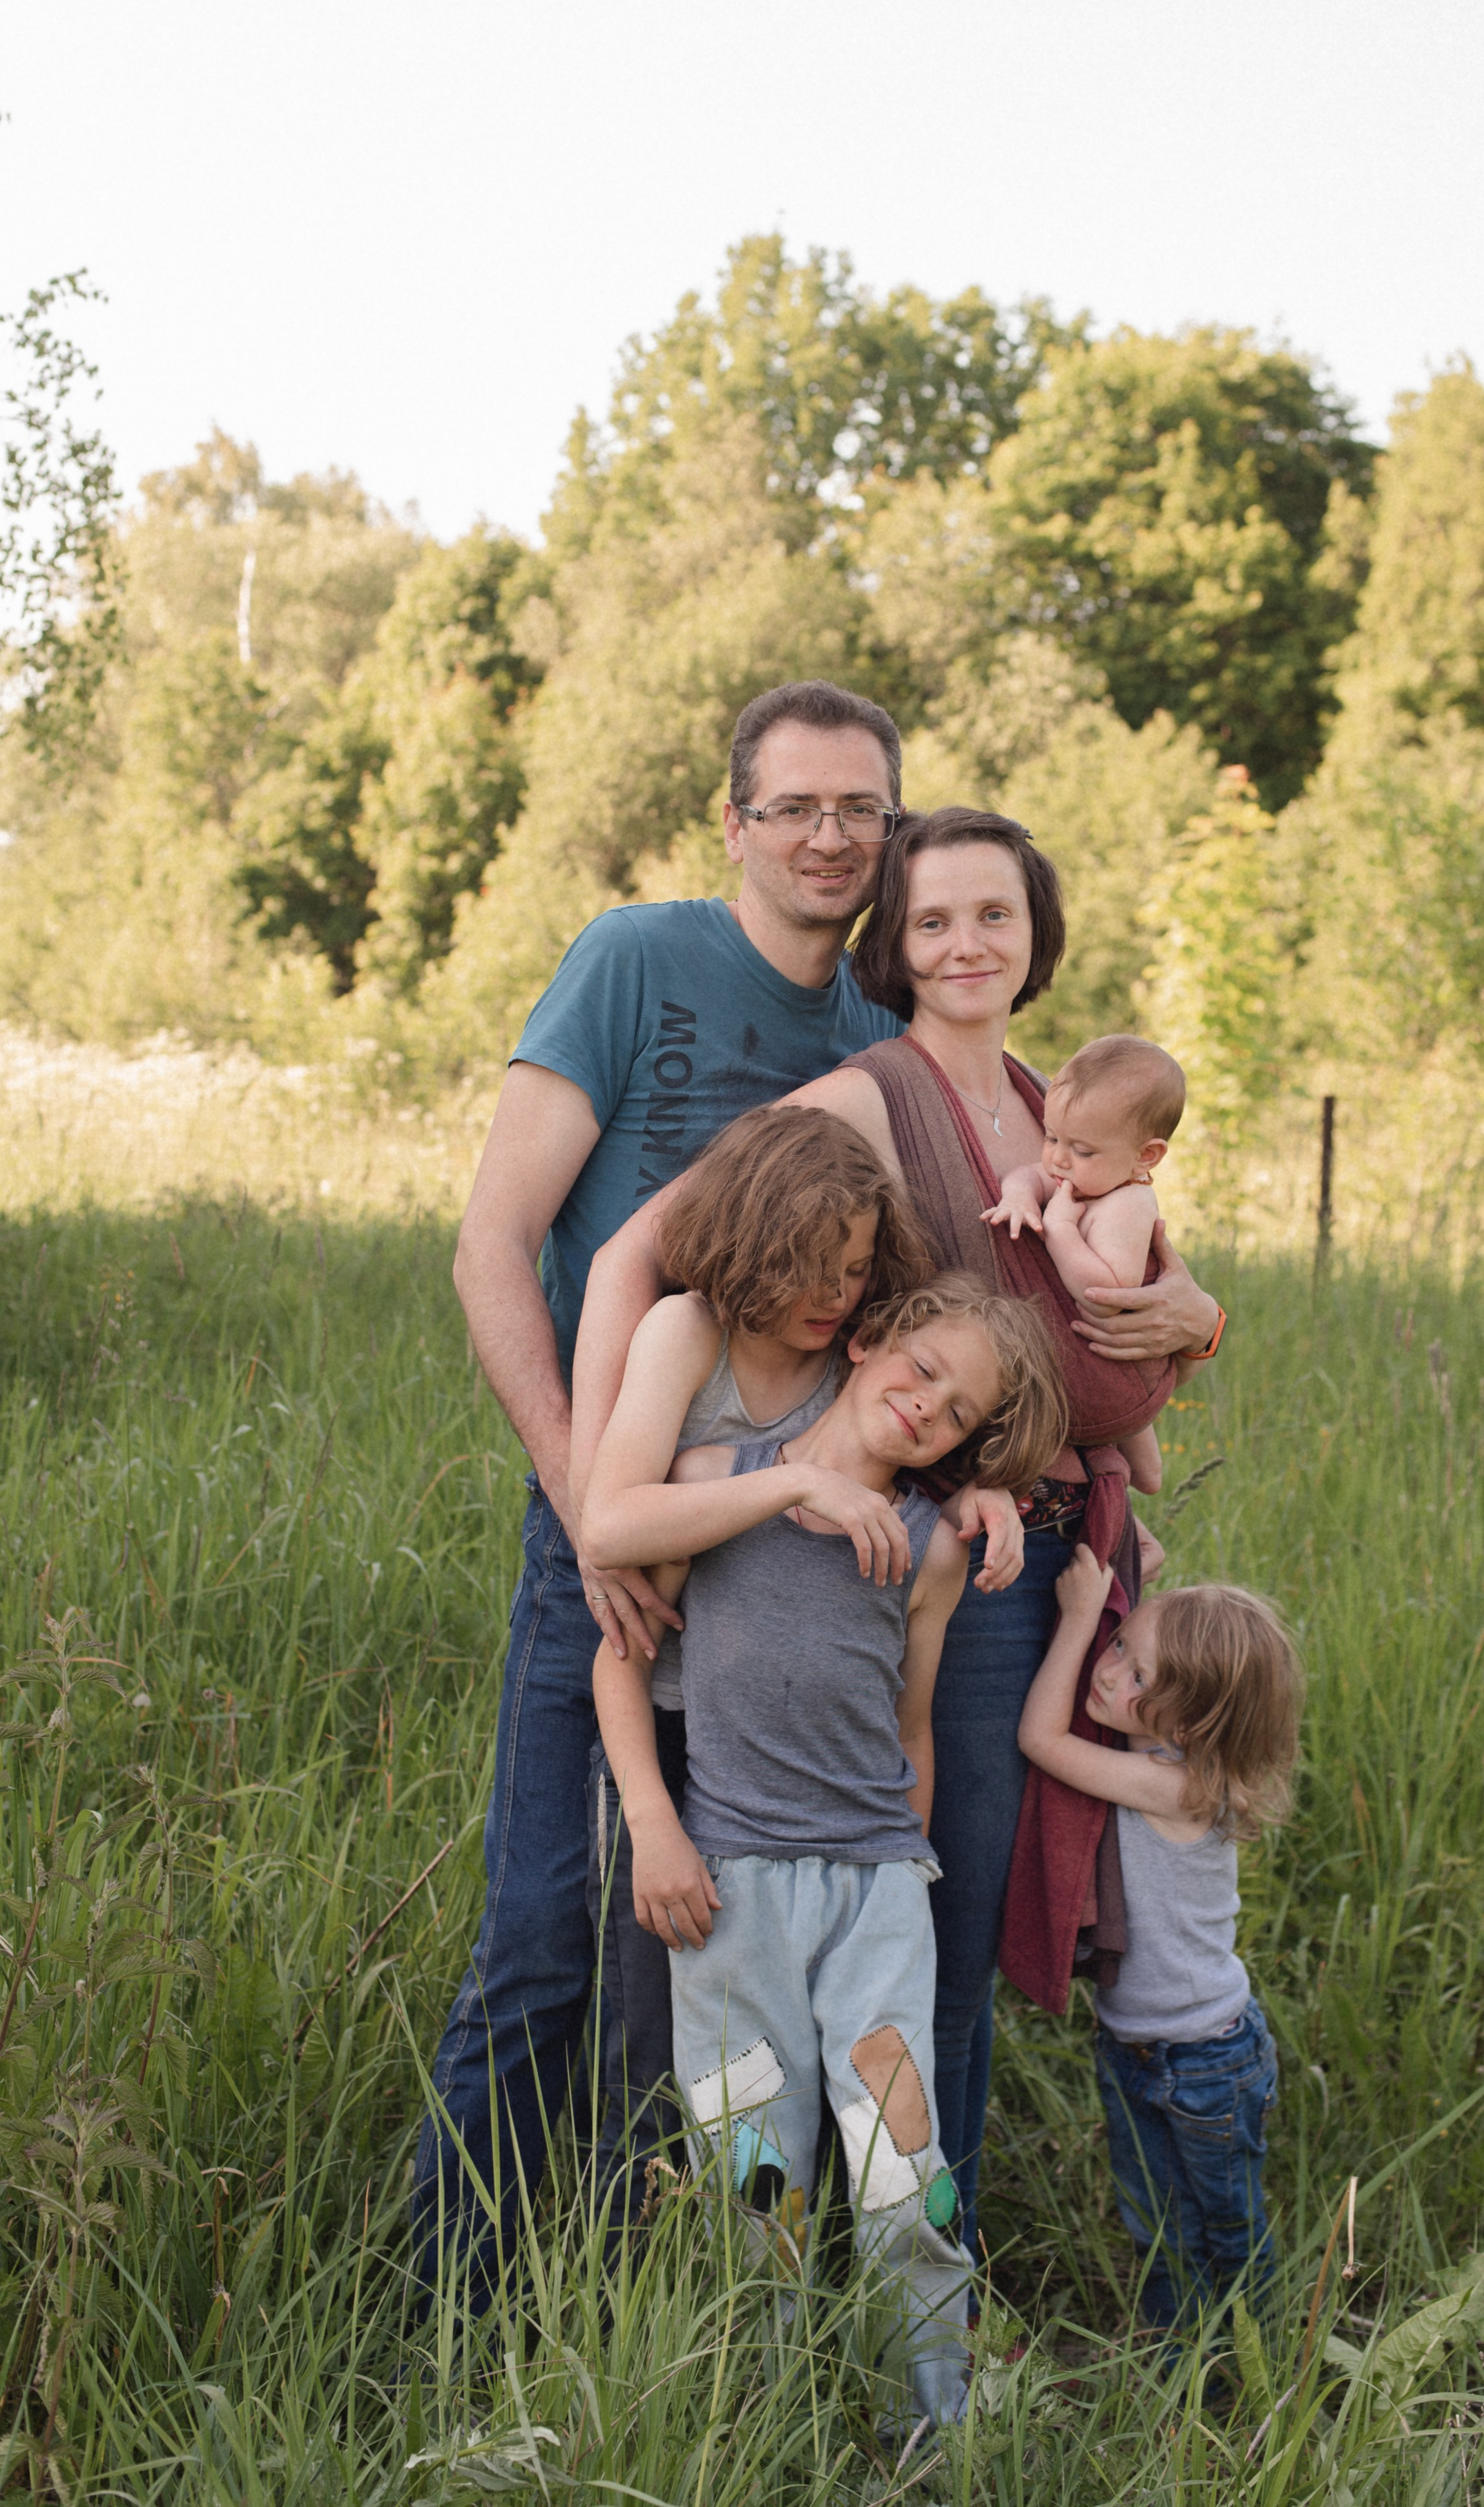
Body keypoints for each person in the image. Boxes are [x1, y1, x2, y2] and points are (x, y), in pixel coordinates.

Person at [415, 679, 1030, 2299]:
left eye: (861, 810)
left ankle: (652, 2305)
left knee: (678, 1961)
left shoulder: (881, 1044)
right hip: (616, 1523)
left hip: (793, 1584)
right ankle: (437, 2302)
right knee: (545, 1934)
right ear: (736, 819)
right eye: (795, 806)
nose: (830, 836)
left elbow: (930, 1323)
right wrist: (582, 1497)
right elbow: (504, 1243)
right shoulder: (633, 957)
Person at [575, 804, 1226, 2262]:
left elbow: (1122, 1332)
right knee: (906, 1946)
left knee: (958, 1943)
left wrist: (1205, 1317)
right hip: (947, 1562)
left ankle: (934, 2277)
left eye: (992, 914)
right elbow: (667, 1249)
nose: (964, 943)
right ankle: (798, 2290)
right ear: (894, 944)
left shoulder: (1066, 1104)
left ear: (1034, 932)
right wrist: (595, 1514)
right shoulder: (870, 1093)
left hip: (1055, 1549)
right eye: (930, 920)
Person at [585, 1274, 1068, 2428]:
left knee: (904, 2176)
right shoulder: (713, 1487)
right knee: (755, 2184)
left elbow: (911, 1731)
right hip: (728, 1895)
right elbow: (620, 1657)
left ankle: (934, 2430)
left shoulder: (928, 1546)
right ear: (866, 1342)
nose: (928, 1409)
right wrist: (655, 1826)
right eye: (923, 1371)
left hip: (875, 1902)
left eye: (957, 1415)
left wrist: (906, 1868)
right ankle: (757, 2424)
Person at [570, 1098, 946, 2172]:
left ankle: (832, 2283)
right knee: (662, 2027)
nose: (834, 1296)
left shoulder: (856, 1358)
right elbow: (610, 1518)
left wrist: (990, 1500)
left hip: (802, 1749)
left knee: (823, 2061)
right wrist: (786, 1477)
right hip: (672, 1717)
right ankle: (668, 2285)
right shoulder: (687, 1330)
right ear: (748, 1244)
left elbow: (921, 1447)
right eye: (809, 1267)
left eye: (857, 1269)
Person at [1017, 1550, 1302, 2347]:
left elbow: (1039, 1738)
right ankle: (1180, 2368)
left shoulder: (1176, 1785)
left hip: (1204, 2060)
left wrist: (1080, 1620)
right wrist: (1125, 1568)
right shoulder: (1156, 1751)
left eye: (1137, 1675)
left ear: (1188, 1725)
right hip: (1137, 2045)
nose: (1110, 1677)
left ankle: (1260, 2368)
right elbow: (1170, 1649)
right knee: (1156, 2225)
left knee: (1226, 2228)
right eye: (1117, 1649)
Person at [982, 1033, 1191, 1501]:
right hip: (1082, 1349)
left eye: (1082, 1150)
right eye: (1051, 1137)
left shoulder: (1128, 1203)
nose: (1057, 1157)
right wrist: (1017, 1196)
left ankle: (1147, 1478)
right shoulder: (1072, 1174)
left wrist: (1060, 1229)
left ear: (1146, 1156)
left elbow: (1105, 1291)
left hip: (1123, 1357)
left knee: (1134, 1425)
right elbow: (1027, 1175)